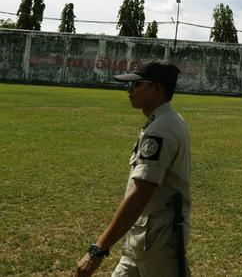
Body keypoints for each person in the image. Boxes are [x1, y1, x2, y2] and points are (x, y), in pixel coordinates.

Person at [77, 59, 191, 277]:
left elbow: (141, 193)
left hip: (158, 241)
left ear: (156, 89)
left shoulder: (161, 129)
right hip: (142, 236)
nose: (129, 90)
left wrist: (98, 249)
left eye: (137, 84)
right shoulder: (166, 121)